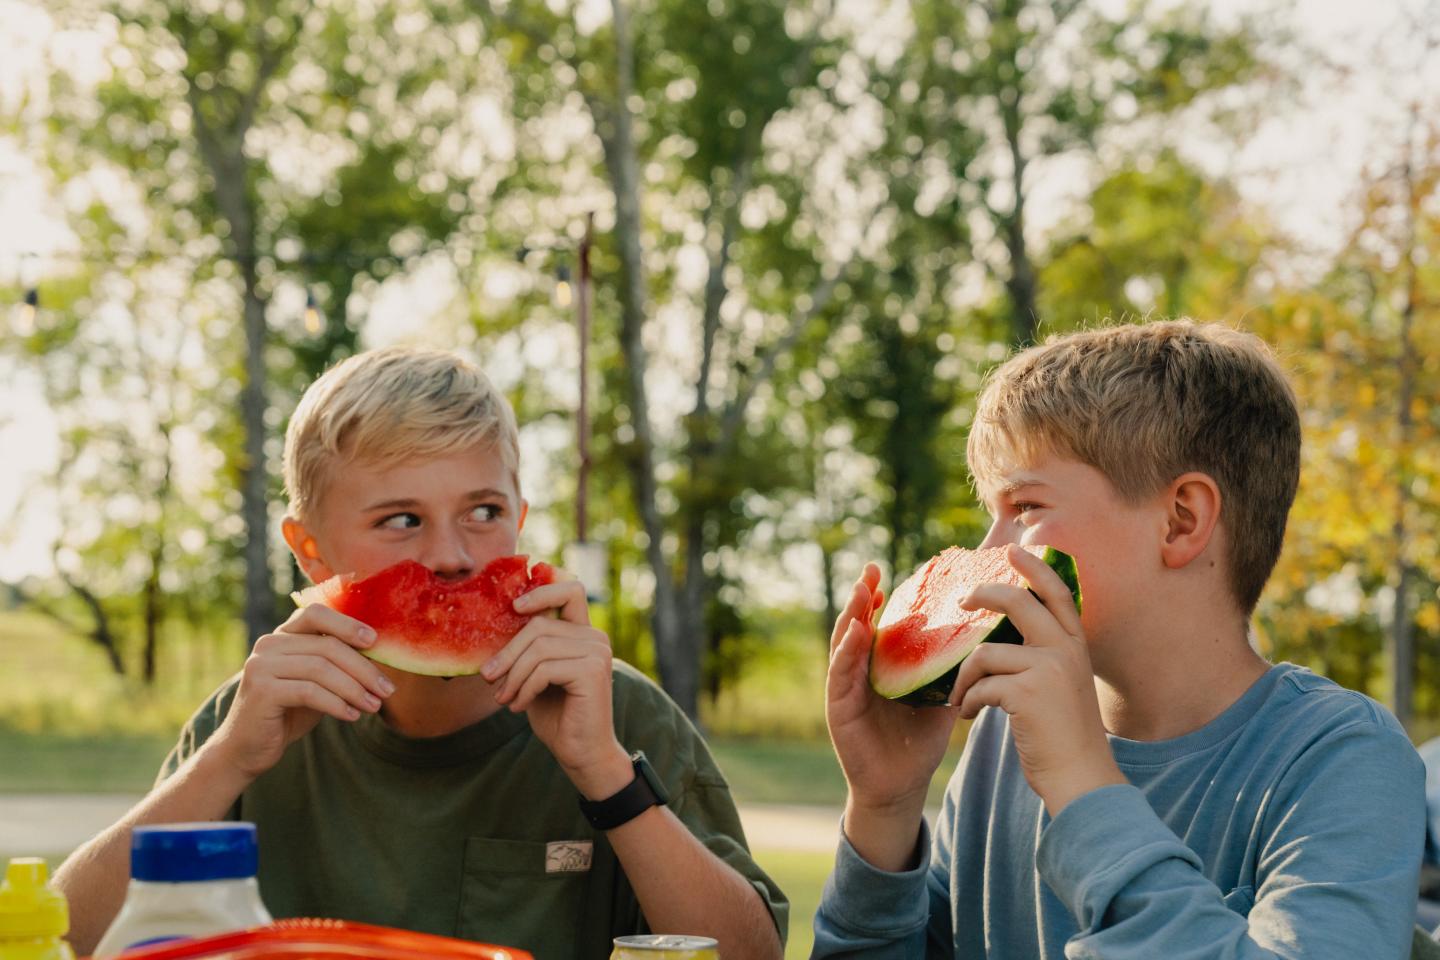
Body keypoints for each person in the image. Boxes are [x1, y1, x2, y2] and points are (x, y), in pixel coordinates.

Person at [55, 347, 786, 960]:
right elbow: (60, 940)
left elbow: (751, 953)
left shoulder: (620, 715)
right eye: (401, 519)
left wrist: (604, 773)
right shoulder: (246, 723)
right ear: (310, 553)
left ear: (521, 518)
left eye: (483, 512)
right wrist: (230, 761)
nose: (451, 556)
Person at [813, 320, 1426, 958]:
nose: (989, 552)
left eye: (1025, 509)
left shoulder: (1341, 760)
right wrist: (885, 810)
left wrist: (1083, 784)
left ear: (1181, 520)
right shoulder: (1002, 743)